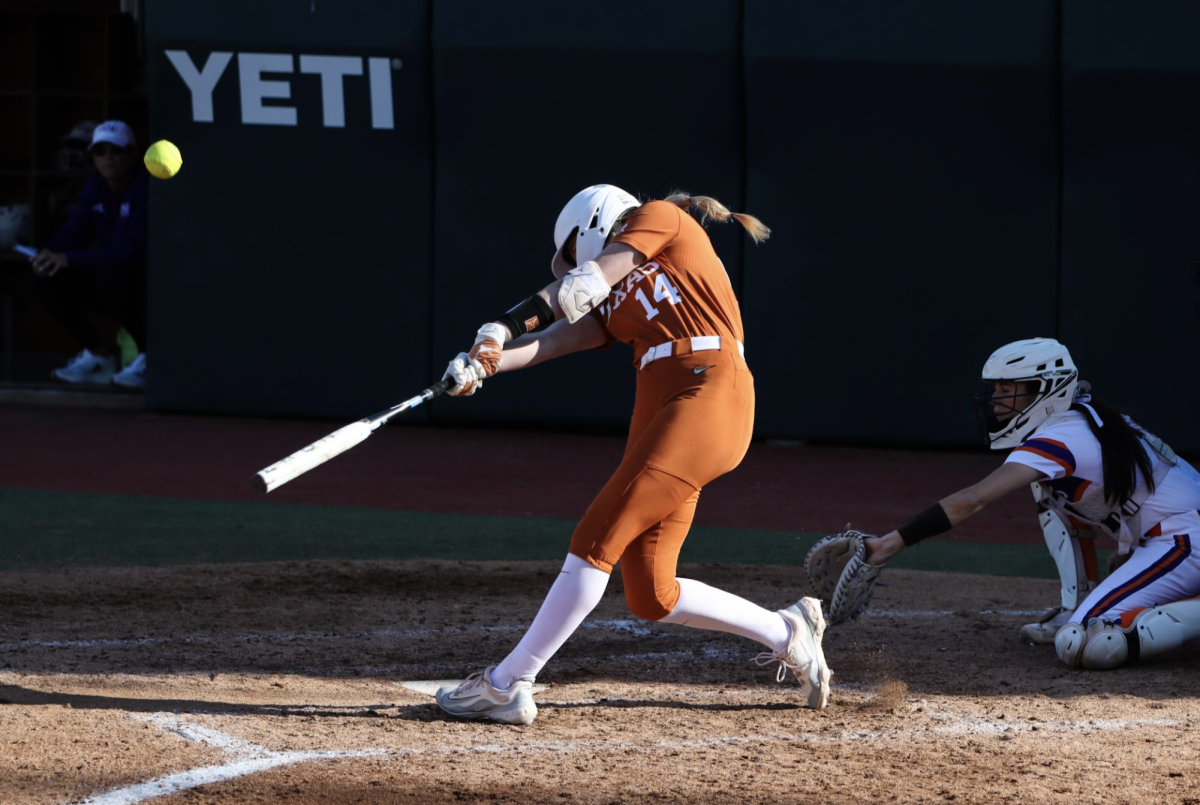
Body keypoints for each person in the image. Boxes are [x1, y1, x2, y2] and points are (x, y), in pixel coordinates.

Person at [433, 185, 831, 725]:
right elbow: (551, 340)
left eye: (578, 250)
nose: (580, 262)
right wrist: (485, 363)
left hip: (708, 392)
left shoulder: (659, 218)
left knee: (597, 537)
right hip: (666, 409)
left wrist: (500, 325)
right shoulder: (609, 299)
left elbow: (576, 289)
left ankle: (508, 681)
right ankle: (788, 631)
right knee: (650, 591)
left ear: (595, 224)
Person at [865, 337, 1200, 670]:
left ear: (1045, 390)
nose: (995, 400)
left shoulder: (1066, 435)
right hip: (1173, 535)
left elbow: (972, 499)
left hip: (1184, 538)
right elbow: (1143, 498)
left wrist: (888, 544)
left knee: (1085, 642)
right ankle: (1078, 604)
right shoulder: (1083, 420)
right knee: (1046, 491)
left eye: (1006, 389)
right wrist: (1129, 553)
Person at [30, 120, 148, 388]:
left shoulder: (145, 186)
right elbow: (74, 232)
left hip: (147, 281)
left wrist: (69, 258)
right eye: (100, 151)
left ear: (132, 154)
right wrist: (48, 254)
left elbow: (130, 253)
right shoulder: (95, 185)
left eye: (116, 151)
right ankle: (99, 355)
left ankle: (151, 355)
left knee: (115, 279)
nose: (107, 158)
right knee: (47, 278)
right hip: (111, 274)